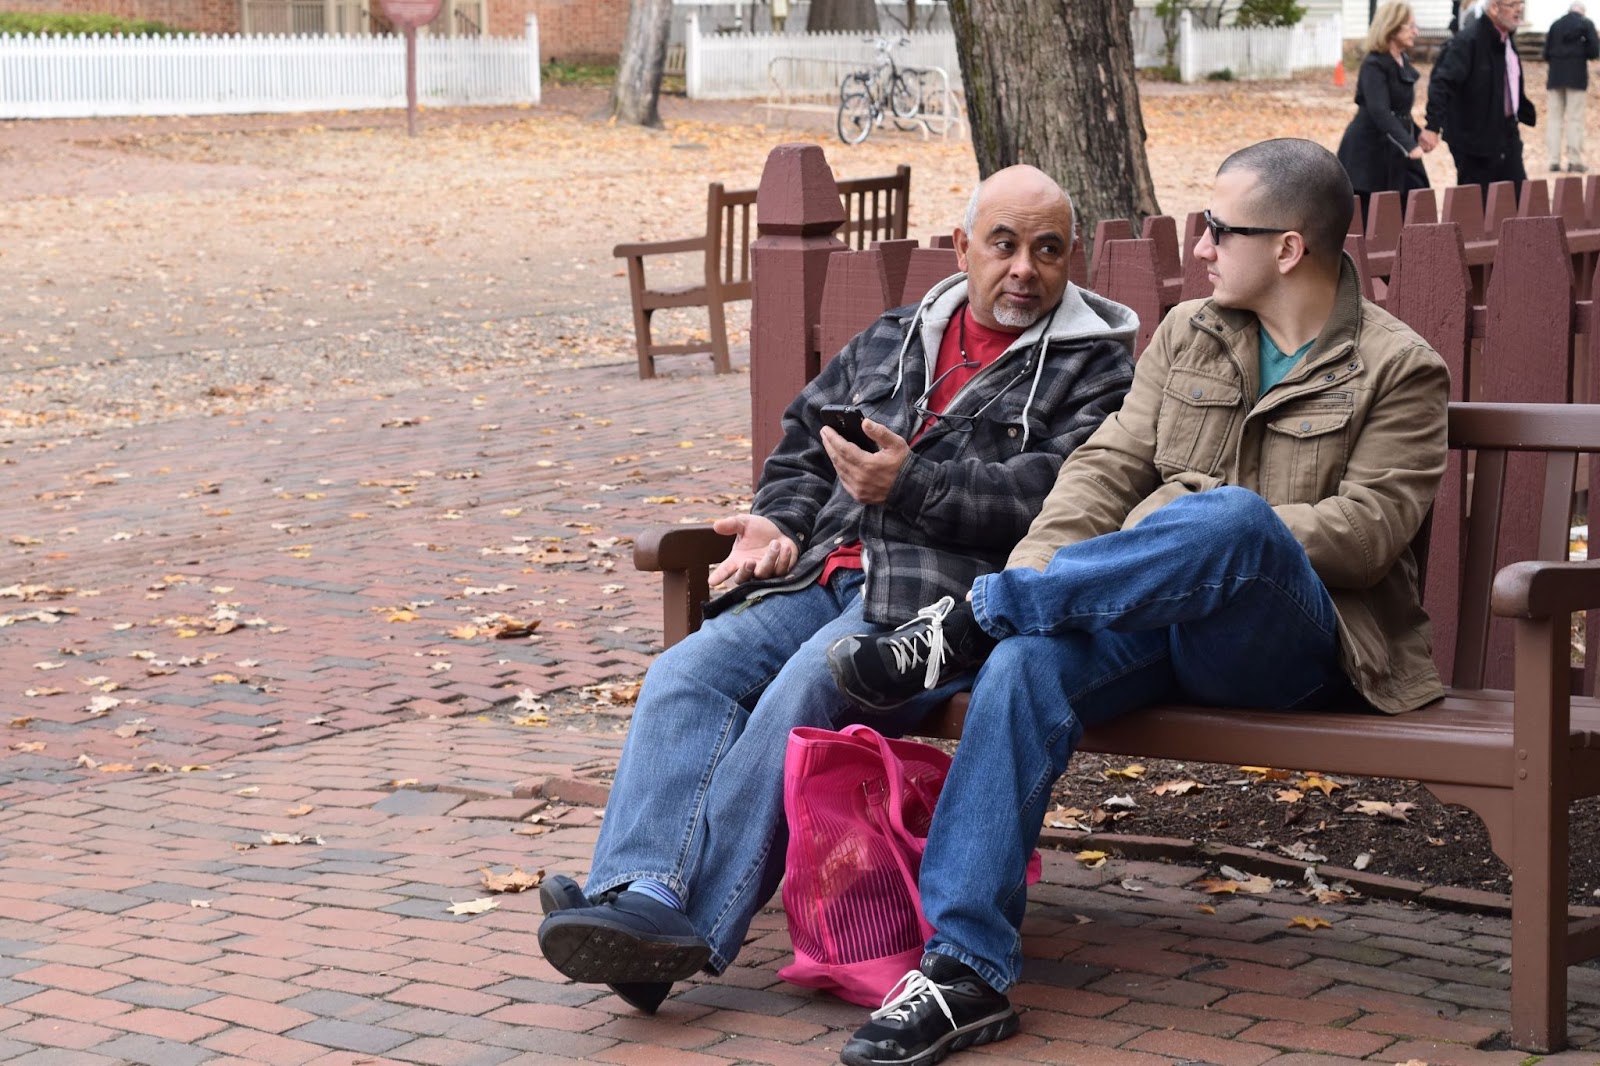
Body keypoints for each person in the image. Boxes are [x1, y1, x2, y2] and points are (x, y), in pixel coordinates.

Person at [825, 138, 1451, 1066]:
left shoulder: (1398, 367)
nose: (1198, 245)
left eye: (1219, 228)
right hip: (1160, 624)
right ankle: (961, 971)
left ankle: (967, 622)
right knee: (1027, 662)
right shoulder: (1190, 333)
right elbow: (1100, 473)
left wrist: (1214, 524)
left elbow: (1367, 531)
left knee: (1234, 519)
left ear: (1285, 248)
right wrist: (1036, 580)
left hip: (1292, 645)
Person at [534, 165, 1139, 1014]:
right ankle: (640, 889)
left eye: (1047, 251)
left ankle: (672, 934)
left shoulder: (1097, 374)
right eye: (1003, 245)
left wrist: (916, 486)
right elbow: (802, 447)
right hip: (819, 573)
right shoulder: (894, 338)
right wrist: (779, 523)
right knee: (689, 672)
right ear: (961, 245)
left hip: (931, 611)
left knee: (807, 688)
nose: (1023, 270)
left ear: (1071, 260)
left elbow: (1061, 497)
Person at [1424, 0, 1537, 195]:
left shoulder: (1506, 39)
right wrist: (1433, 125)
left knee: (1518, 198)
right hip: (1474, 141)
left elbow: (1508, 80)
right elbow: (1442, 83)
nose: (1519, 9)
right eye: (1512, 4)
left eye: (1521, 3)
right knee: (1477, 205)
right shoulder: (1469, 41)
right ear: (1494, 8)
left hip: (1506, 133)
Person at [1337, 0, 1438, 216]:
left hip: (1393, 146)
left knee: (1414, 201)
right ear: (1392, 28)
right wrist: (1409, 145)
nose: (1416, 31)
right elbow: (1379, 111)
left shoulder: (1402, 60)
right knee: (1370, 217)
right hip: (1368, 151)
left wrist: (1419, 135)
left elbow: (1401, 112)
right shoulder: (1374, 64)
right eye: (1410, 26)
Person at [1544, 2, 1600, 171]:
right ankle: (1574, 160)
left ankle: (1553, 160)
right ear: (1582, 12)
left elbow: (1545, 52)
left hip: (1555, 77)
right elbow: (1595, 52)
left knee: (1554, 119)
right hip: (1576, 77)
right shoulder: (1586, 24)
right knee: (1575, 119)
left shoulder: (1555, 24)